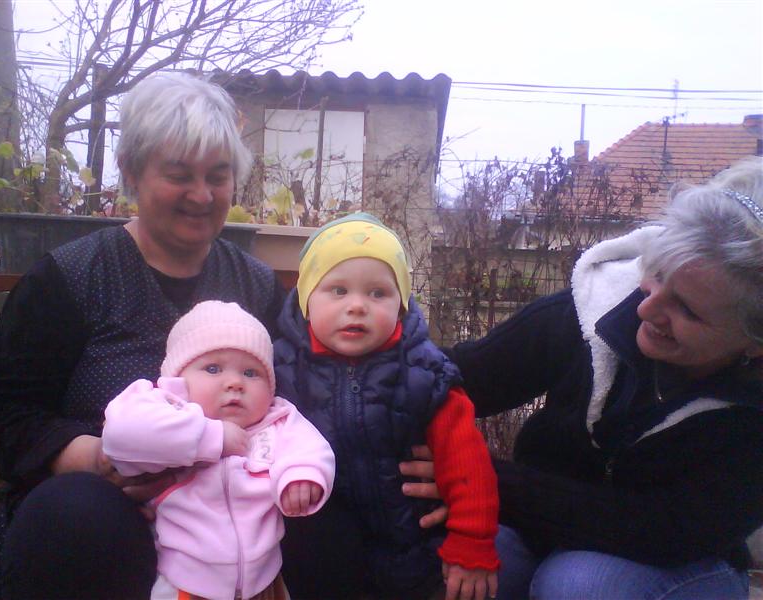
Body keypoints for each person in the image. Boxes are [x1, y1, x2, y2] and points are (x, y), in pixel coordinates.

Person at [0, 71, 285, 599]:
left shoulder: (256, 287)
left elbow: (306, 397)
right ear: (132, 171)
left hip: (229, 520)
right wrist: (97, 460)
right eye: (179, 174)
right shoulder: (69, 279)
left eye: (218, 175)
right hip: (103, 522)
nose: (202, 194)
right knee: (75, 517)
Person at [430, 156, 763, 600]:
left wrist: (472, 477)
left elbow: (663, 529)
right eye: (657, 275)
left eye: (687, 309)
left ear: (754, 341)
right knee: (437, 552)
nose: (645, 308)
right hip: (545, 532)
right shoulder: (597, 309)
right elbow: (460, 376)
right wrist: (360, 365)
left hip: (675, 561)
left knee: (577, 585)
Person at [273, 213, 500, 600]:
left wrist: (471, 541)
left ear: (402, 305)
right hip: (321, 557)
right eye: (338, 290)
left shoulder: (424, 372)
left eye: (378, 293)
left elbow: (467, 461)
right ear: (306, 298)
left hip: (415, 547)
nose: (357, 306)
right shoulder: (281, 370)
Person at [102, 301, 335, 600]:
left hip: (264, 581)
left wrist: (302, 475)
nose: (235, 382)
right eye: (213, 368)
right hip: (185, 582)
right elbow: (120, 435)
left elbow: (310, 447)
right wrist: (211, 437)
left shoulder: (276, 420)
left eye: (251, 372)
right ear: (177, 380)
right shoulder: (161, 406)